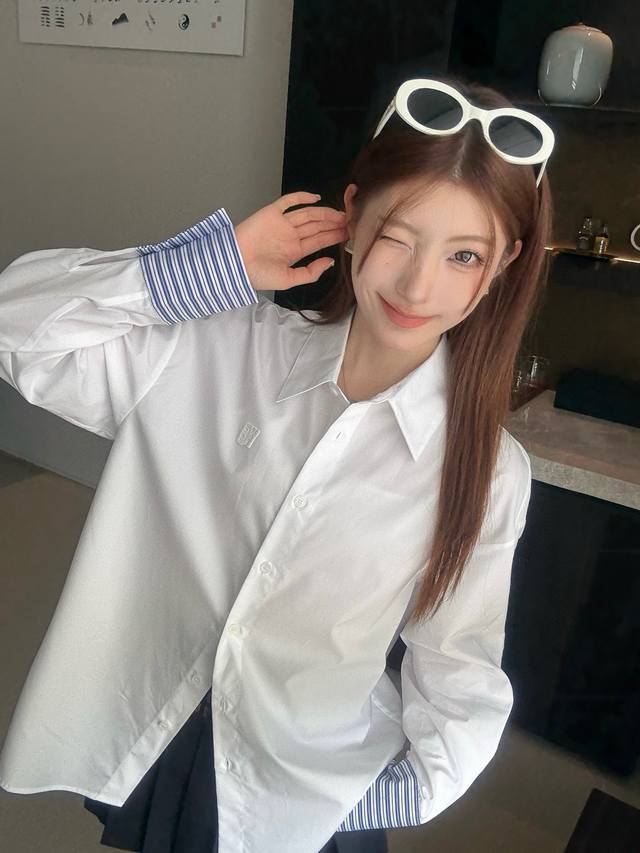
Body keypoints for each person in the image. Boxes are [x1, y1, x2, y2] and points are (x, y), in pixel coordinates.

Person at [0, 71, 555, 853]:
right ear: (352, 218)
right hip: (157, 730)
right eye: (398, 235)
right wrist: (212, 262)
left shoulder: (487, 471)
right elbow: (18, 326)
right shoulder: (219, 349)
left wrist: (341, 803)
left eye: (464, 254)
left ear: (502, 265)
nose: (419, 284)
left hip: (309, 789)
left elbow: (459, 673)